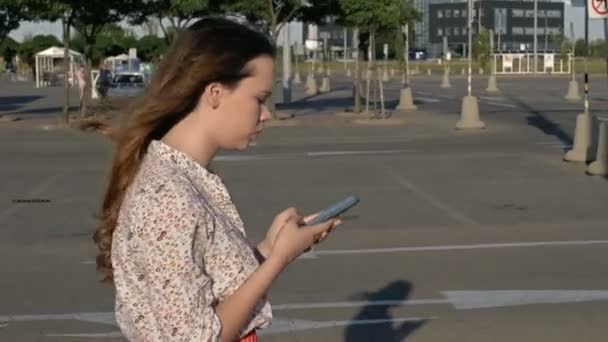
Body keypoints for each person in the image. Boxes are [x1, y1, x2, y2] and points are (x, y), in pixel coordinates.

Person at [93, 17, 342, 342]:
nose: (266, 113)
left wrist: (270, 247)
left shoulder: (184, 176)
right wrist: (279, 259)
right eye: (259, 99)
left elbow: (213, 286)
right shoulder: (168, 196)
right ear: (214, 93)